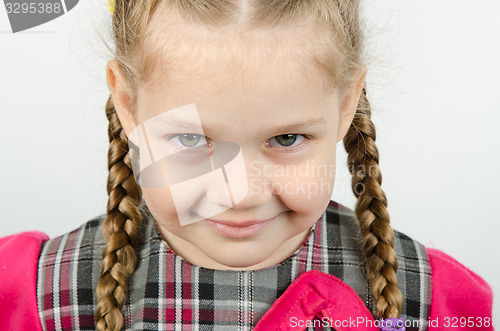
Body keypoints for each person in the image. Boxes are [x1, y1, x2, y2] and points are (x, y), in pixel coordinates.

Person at [0, 0, 494, 330]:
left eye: (286, 138)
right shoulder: (34, 296)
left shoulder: (433, 303)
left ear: (346, 105)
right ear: (128, 103)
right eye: (192, 139)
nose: (240, 194)